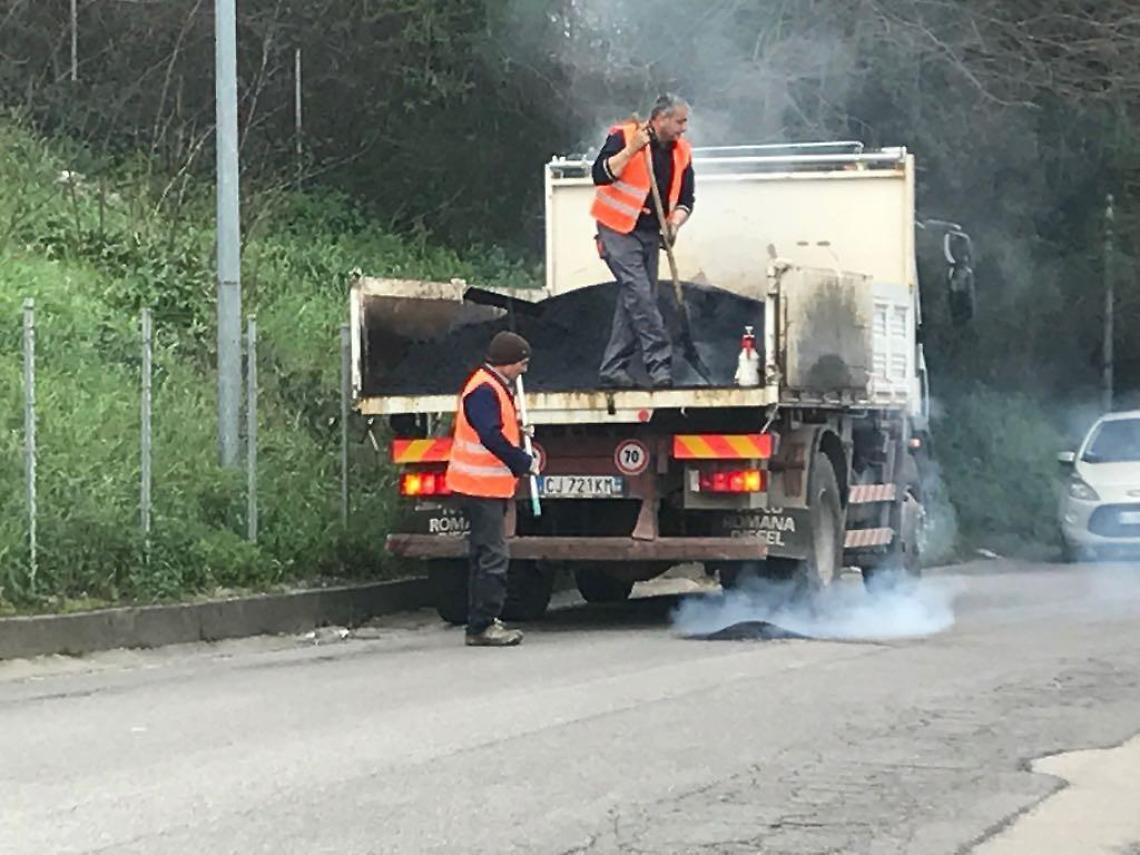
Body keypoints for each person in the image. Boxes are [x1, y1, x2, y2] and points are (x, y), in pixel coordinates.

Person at [591, 93, 695, 389]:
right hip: (616, 228)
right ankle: (660, 365)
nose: (684, 128)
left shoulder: (683, 152)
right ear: (660, 119)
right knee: (640, 293)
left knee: (634, 298)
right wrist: (631, 151)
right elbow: (599, 174)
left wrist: (674, 223)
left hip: (651, 234)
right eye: (680, 121)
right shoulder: (624, 136)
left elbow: (687, 198)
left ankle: (613, 367)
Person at [445, 330, 537, 647]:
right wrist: (521, 461)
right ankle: (483, 625)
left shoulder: (492, 385)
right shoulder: (484, 390)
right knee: (494, 556)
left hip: (483, 486)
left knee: (483, 555)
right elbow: (489, 435)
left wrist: (518, 429)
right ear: (508, 363)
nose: (524, 370)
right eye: (522, 364)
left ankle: (479, 622)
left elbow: (496, 428)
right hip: (479, 486)